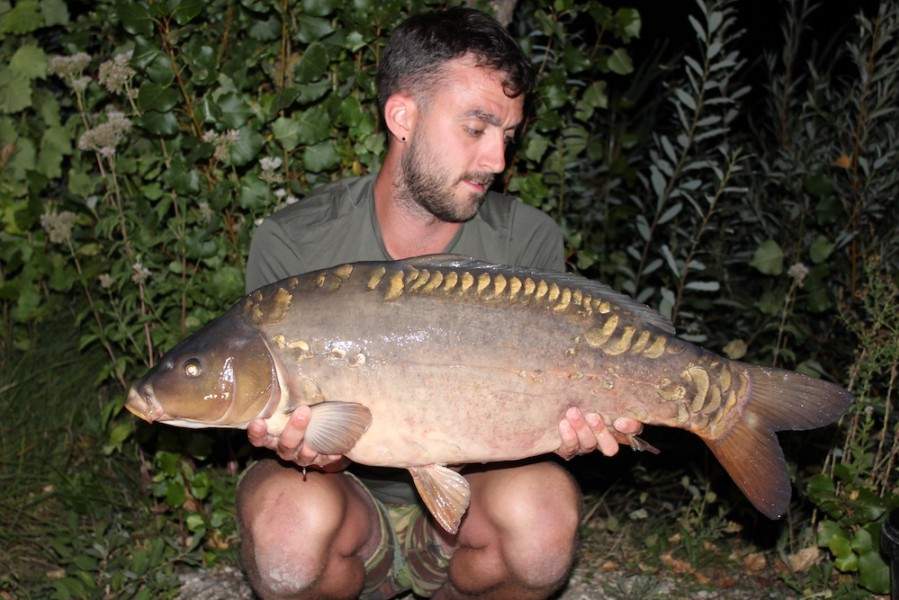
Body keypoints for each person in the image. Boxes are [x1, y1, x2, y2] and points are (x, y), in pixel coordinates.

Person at [236, 7, 643, 599]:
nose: (497, 161)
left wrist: (571, 424)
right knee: (288, 533)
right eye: (475, 130)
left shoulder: (526, 241)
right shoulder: (294, 242)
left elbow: (551, 389)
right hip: (348, 507)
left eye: (507, 136)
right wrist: (314, 449)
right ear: (403, 115)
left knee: (544, 521)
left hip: (471, 509)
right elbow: (295, 434)